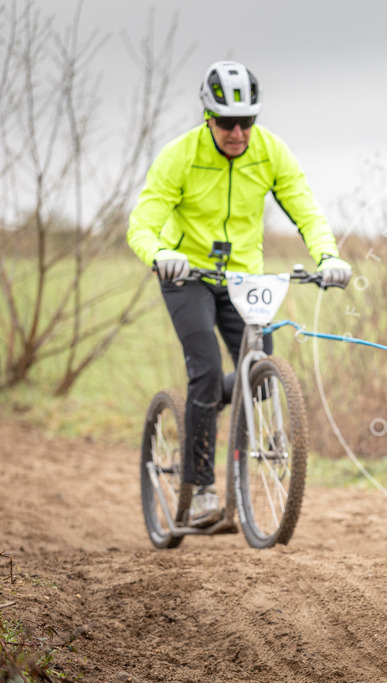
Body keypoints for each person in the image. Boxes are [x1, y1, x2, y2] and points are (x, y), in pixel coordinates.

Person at [127, 60, 351, 527]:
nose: (237, 132)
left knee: (261, 378)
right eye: (227, 122)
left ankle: (202, 407)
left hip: (243, 279)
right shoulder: (179, 156)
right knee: (207, 369)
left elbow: (306, 211)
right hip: (186, 274)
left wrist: (328, 257)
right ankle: (202, 490)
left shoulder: (270, 152)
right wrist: (160, 253)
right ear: (208, 117)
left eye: (246, 121)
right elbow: (143, 222)